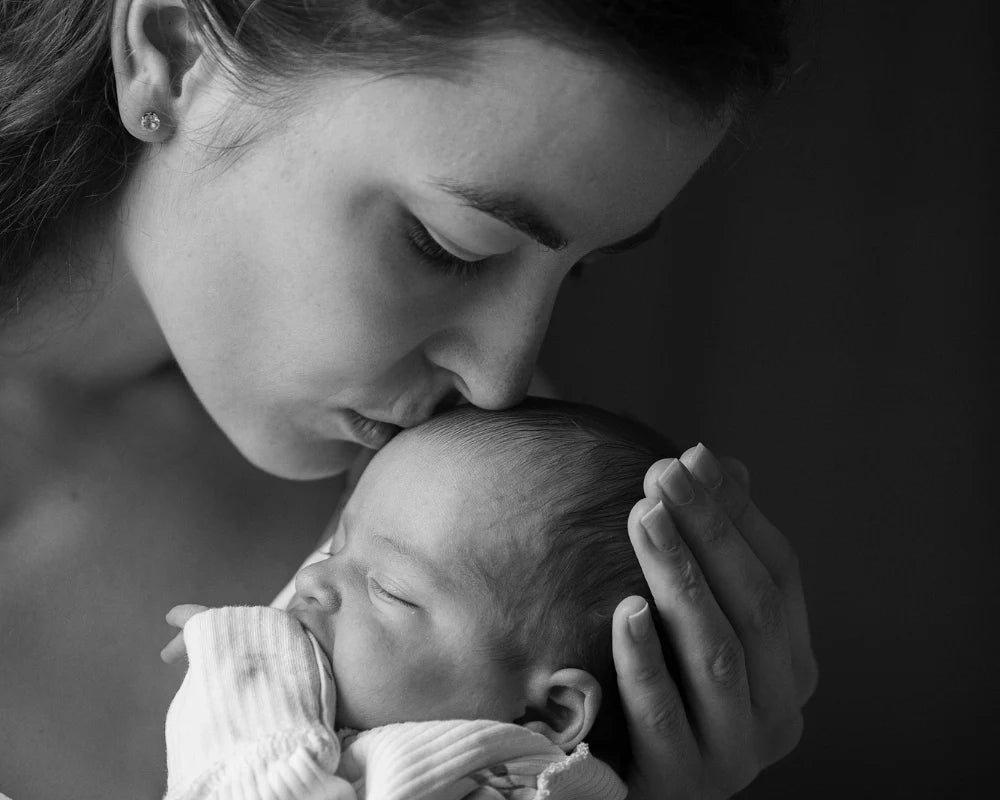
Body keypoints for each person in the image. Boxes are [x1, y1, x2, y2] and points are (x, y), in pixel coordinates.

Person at [0, 2, 817, 799]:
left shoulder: (475, 512)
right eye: (447, 245)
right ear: (176, 55)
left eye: (578, 272)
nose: (501, 382)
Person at [160, 399, 681, 799]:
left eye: (389, 589)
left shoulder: (431, 768)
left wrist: (243, 666)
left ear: (546, 714)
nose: (312, 580)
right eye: (334, 546)